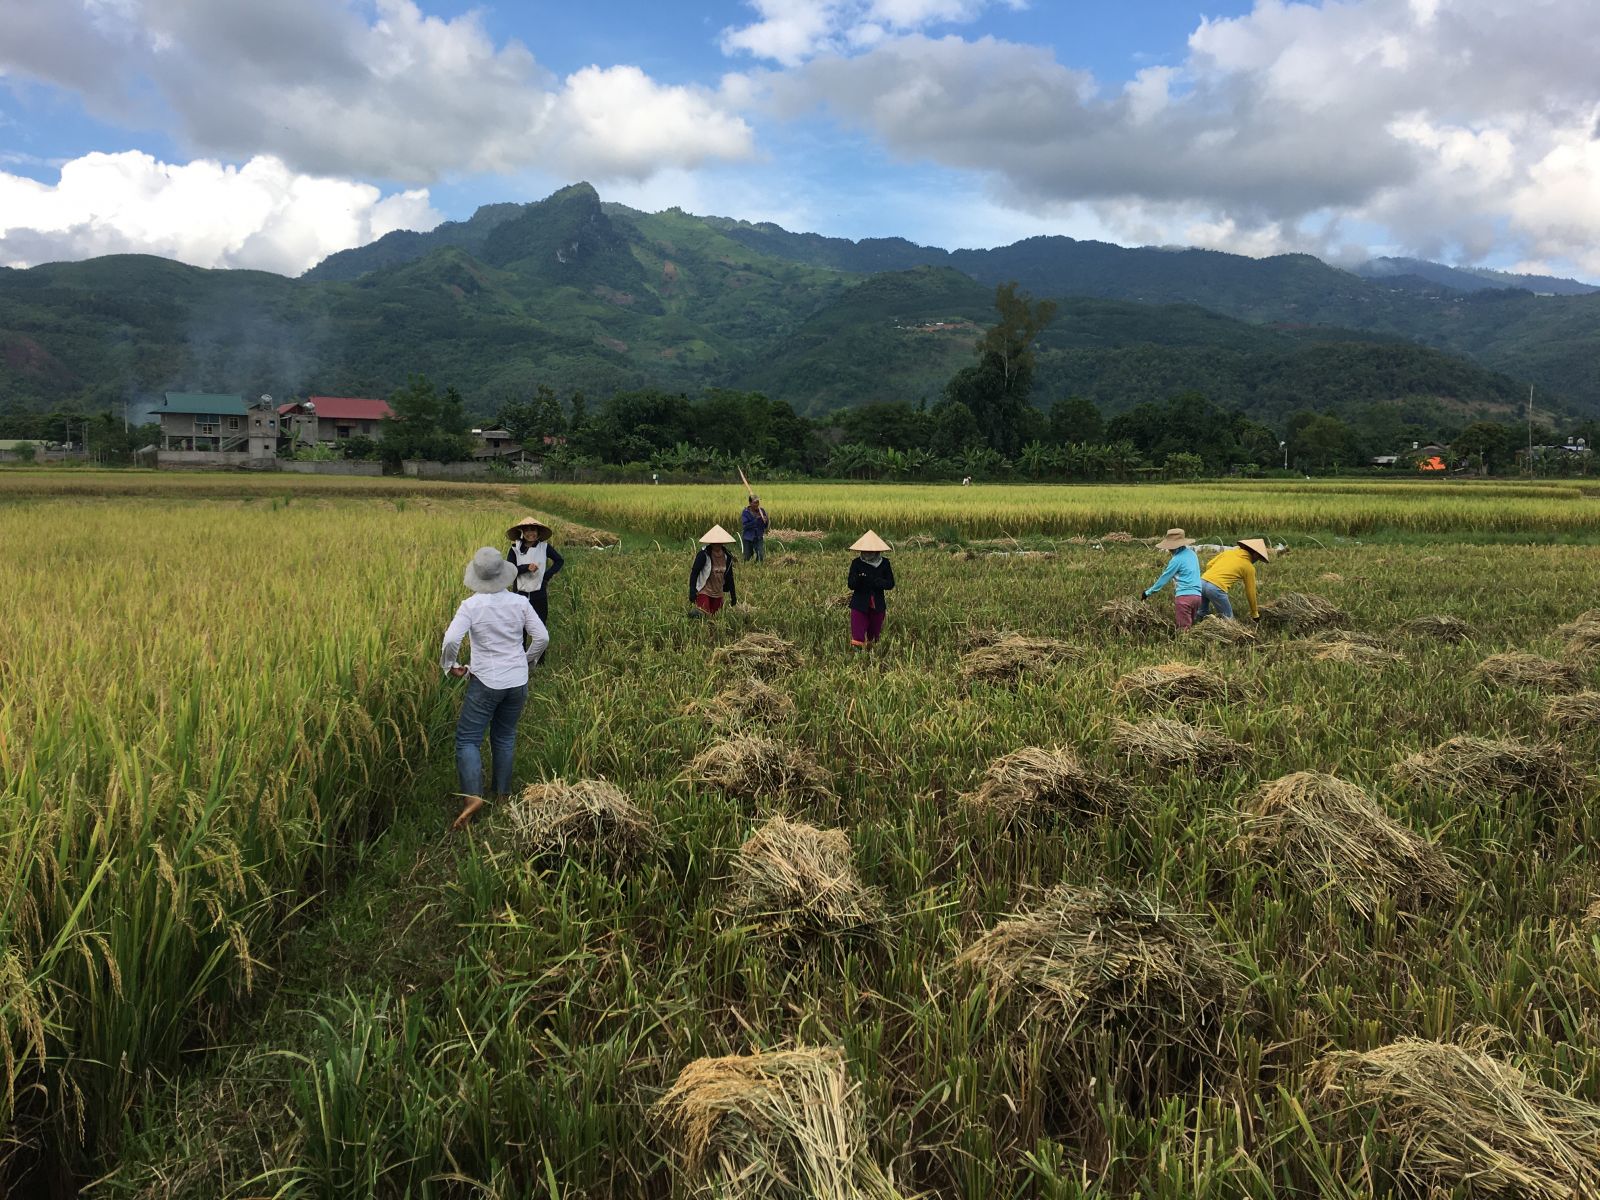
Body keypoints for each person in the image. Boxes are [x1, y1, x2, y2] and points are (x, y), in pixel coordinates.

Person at [440, 546, 548, 831]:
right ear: (503, 574)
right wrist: (525, 661)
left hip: (486, 681)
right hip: (516, 682)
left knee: (468, 739)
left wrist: (450, 665)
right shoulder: (520, 603)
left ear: (477, 577)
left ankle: (473, 798)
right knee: (505, 736)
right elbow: (542, 637)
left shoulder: (471, 606)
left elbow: (451, 639)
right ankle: (502, 794)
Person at [506, 515, 564, 658]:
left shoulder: (544, 547)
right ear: (522, 532)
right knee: (521, 626)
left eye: (534, 530)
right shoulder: (514, 549)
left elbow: (559, 560)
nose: (530, 533)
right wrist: (526, 567)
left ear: (538, 533)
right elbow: (509, 570)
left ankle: (539, 659)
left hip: (539, 593)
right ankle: (520, 658)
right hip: (520, 594)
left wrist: (546, 576)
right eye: (527, 530)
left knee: (540, 624)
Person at [1141, 527, 1203, 630]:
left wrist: (1148, 592)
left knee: (1183, 629)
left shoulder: (1176, 560)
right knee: (1190, 625)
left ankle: (1185, 644)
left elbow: (1164, 578)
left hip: (1184, 598)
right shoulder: (1193, 554)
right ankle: (1192, 642)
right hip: (1197, 597)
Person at [1198, 538, 1271, 622]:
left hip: (1202, 582)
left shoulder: (1228, 553)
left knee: (1201, 612)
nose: (1256, 560)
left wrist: (1212, 579)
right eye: (1258, 558)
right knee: (1228, 620)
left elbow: (1209, 564)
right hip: (1216, 589)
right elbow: (1250, 592)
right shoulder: (1248, 567)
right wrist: (1254, 613)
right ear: (1255, 554)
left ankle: (1196, 627)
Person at [846, 531, 894, 650]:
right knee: (857, 635)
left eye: (870, 551)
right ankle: (857, 658)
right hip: (859, 604)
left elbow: (890, 584)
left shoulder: (885, 563)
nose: (867, 553)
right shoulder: (856, 563)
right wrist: (859, 579)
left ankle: (871, 658)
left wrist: (879, 582)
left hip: (877, 605)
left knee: (874, 636)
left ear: (877, 551)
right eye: (865, 550)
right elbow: (851, 584)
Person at [689, 525, 739, 614]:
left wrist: (733, 596)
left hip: (718, 592)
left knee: (715, 617)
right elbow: (694, 572)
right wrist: (692, 590)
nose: (717, 544)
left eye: (719, 542)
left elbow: (729, 577)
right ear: (711, 543)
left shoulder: (727, 556)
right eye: (714, 542)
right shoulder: (704, 555)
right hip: (704, 590)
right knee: (703, 614)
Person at [740, 495, 769, 562]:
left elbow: (765, 526)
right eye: (755, 503)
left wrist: (766, 520)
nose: (757, 504)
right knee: (747, 556)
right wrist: (756, 519)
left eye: (758, 502)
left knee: (760, 555)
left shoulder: (762, 511)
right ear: (750, 503)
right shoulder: (745, 512)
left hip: (758, 537)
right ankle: (747, 568)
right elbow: (745, 526)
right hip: (748, 537)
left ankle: (758, 567)